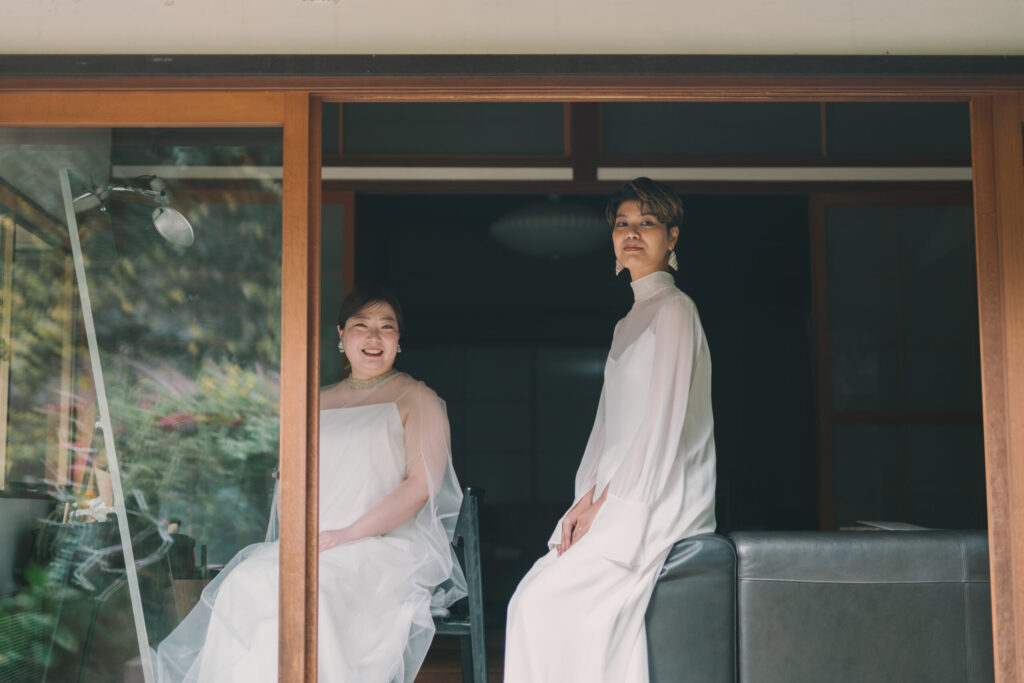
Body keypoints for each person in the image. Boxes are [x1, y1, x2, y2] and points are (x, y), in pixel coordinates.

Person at [156, 284, 465, 683]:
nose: (374, 337)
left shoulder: (417, 398)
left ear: (398, 339)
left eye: (386, 327)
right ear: (341, 334)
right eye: (361, 325)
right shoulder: (314, 401)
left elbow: (420, 486)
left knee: (311, 591)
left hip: (382, 546)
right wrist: (297, 519)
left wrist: (347, 535)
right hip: (317, 542)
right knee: (245, 583)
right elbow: (294, 483)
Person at [504, 178, 717, 683]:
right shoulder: (627, 322)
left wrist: (609, 504)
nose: (632, 233)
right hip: (615, 494)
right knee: (528, 599)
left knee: (538, 603)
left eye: (647, 222)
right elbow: (607, 429)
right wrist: (584, 501)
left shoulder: (676, 310)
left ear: (672, 236)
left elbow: (662, 423)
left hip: (657, 495)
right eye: (623, 224)